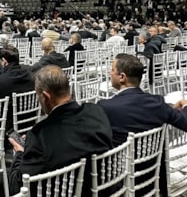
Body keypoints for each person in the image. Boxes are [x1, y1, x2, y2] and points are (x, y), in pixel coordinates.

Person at [98, 54, 187, 197]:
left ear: (122, 77)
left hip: (117, 181)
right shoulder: (157, 104)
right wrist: (186, 104)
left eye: (112, 70)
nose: (109, 73)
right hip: (152, 177)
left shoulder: (105, 107)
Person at [8, 65, 114, 196]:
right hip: (102, 190)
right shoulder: (96, 111)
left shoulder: (40, 136)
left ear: (46, 97)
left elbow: (18, 187)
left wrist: (19, 153)